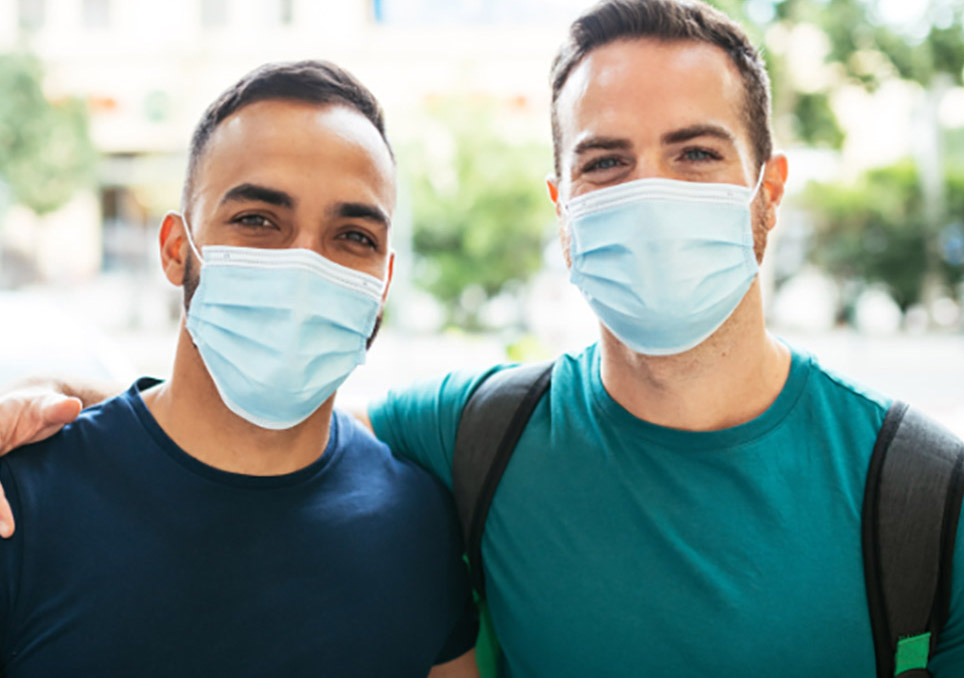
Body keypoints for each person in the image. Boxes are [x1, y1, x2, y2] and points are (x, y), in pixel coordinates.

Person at [2, 1, 963, 676]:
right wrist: (57, 401)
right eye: (605, 161)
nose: (649, 193)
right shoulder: (473, 436)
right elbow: (239, 438)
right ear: (562, 209)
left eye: (696, 153)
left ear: (769, 194)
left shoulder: (925, 493)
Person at [0, 60, 478, 676]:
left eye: (354, 235)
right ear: (177, 249)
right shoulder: (24, 502)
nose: (305, 265)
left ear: (383, 282)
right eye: (257, 220)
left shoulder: (415, 520)